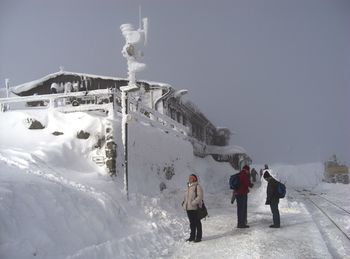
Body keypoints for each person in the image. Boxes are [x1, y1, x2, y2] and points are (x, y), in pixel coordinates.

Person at [182, 174, 203, 242]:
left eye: (191, 178)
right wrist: (184, 203)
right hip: (188, 208)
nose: (190, 179)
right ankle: (192, 237)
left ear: (195, 179)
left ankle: (199, 237)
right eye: (189, 178)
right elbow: (186, 197)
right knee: (192, 223)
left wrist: (193, 203)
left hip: (195, 208)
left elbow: (200, 197)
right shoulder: (187, 187)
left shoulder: (197, 186)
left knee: (197, 222)